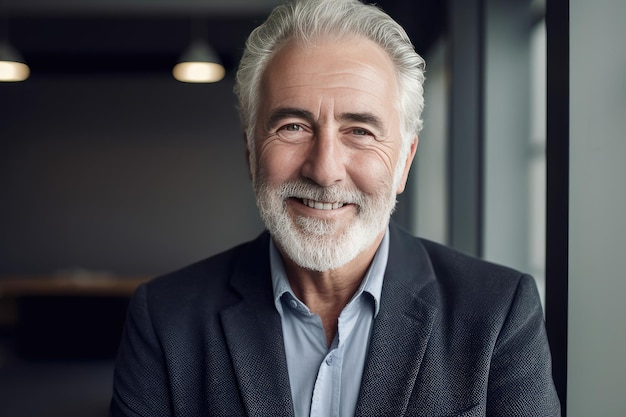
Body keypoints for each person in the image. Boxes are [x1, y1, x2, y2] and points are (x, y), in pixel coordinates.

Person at [110, 0, 561, 416]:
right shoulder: (165, 319)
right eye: (292, 126)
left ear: (404, 160)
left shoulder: (499, 314)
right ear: (251, 153)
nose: (324, 171)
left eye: (360, 131)